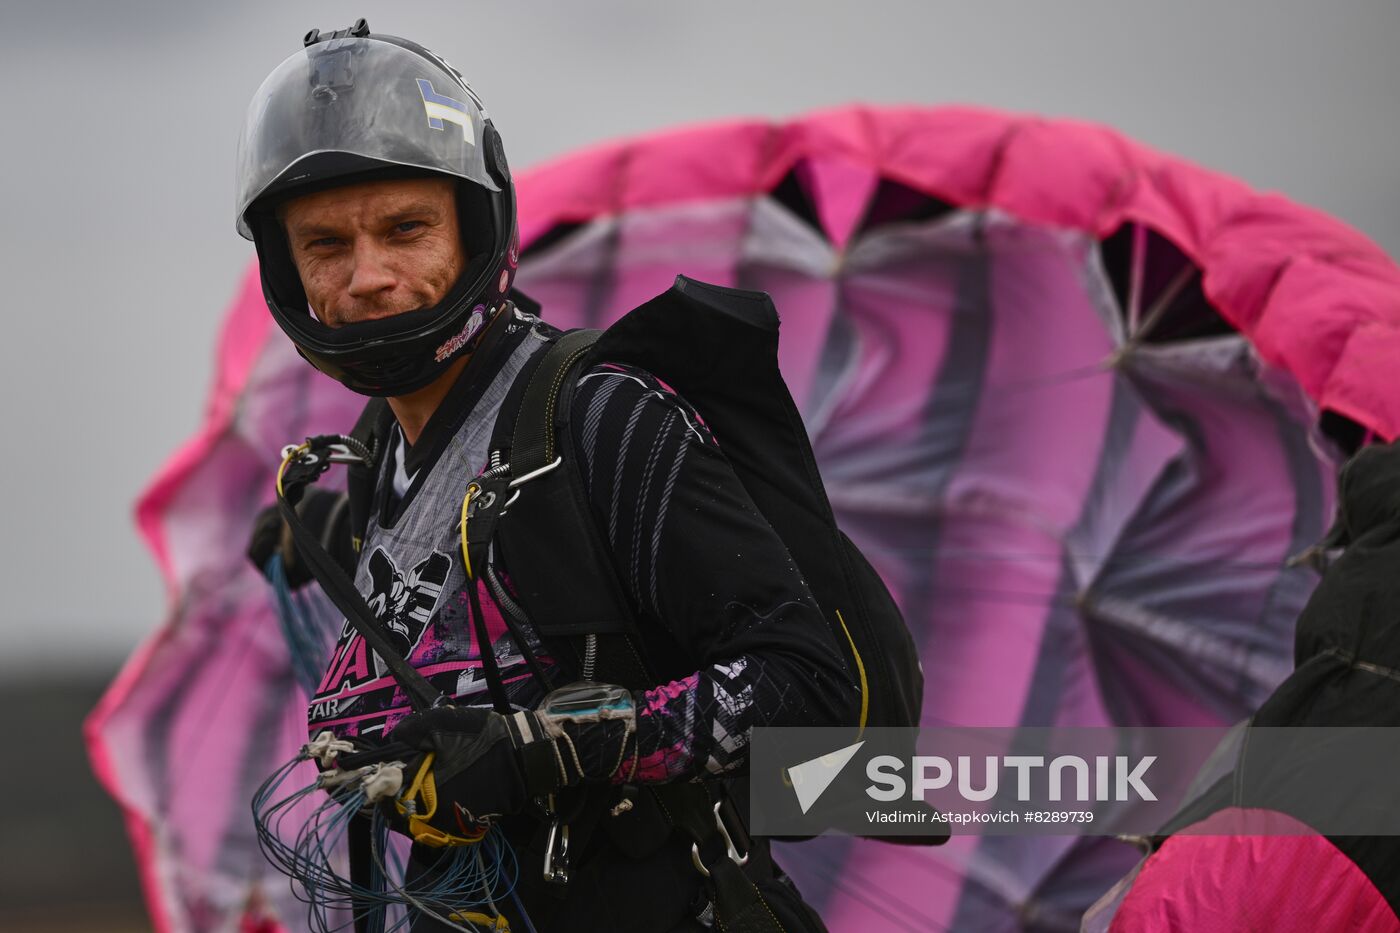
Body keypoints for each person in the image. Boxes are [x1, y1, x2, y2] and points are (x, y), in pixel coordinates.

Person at [237, 21, 858, 932]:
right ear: (286, 272)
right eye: (325, 245)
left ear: (476, 227)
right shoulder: (381, 462)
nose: (367, 276)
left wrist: (551, 751)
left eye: (406, 228)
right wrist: (334, 537)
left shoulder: (599, 417)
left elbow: (813, 697)